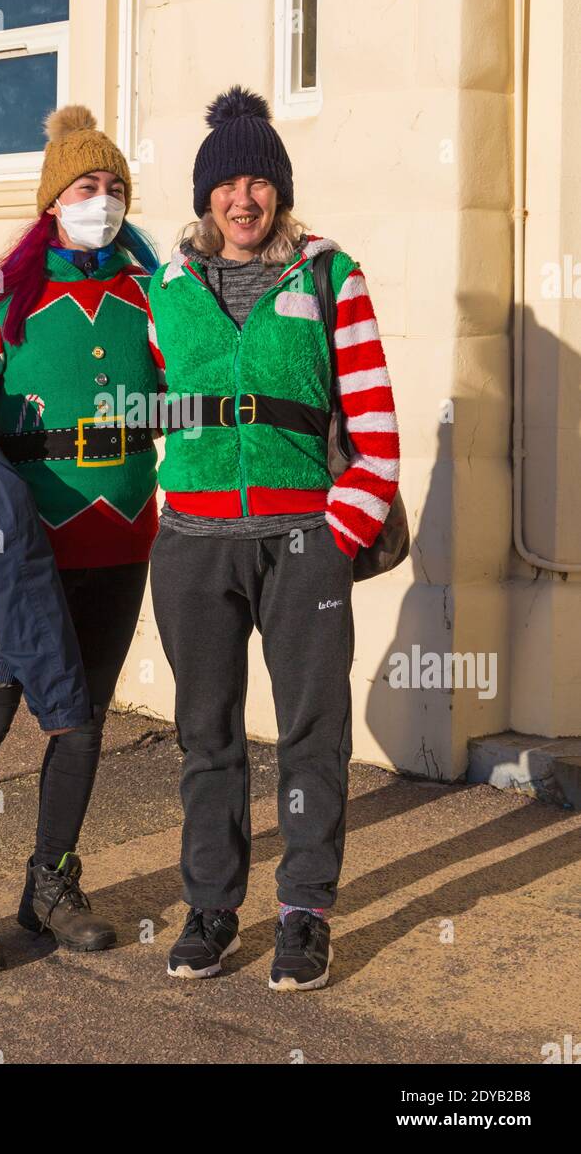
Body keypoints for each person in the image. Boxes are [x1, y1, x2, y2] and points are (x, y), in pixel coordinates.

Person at [147, 87, 400, 990]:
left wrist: (340, 533)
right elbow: (132, 414)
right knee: (207, 734)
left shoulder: (333, 278)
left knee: (312, 732)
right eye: (227, 184)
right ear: (204, 196)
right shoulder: (163, 290)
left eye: (259, 182)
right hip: (191, 543)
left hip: (302, 543)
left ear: (279, 192)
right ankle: (212, 906)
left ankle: (303, 911)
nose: (243, 199)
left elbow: (375, 427)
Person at [0, 106, 162, 974]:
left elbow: (190, 385)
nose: (103, 201)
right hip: (17, 546)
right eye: (88, 187)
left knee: (83, 722)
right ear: (54, 200)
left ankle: (50, 885)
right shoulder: (4, 295)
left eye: (115, 188)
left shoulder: (151, 293)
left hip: (123, 535)